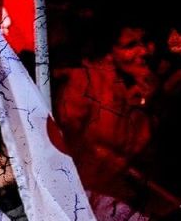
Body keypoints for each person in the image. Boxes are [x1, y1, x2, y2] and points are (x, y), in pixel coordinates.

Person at [55, 19, 161, 219]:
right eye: (130, 45)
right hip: (74, 195)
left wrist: (147, 104)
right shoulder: (84, 82)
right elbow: (64, 142)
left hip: (112, 198)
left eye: (146, 41)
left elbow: (142, 155)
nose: (145, 51)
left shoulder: (143, 89)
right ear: (109, 52)